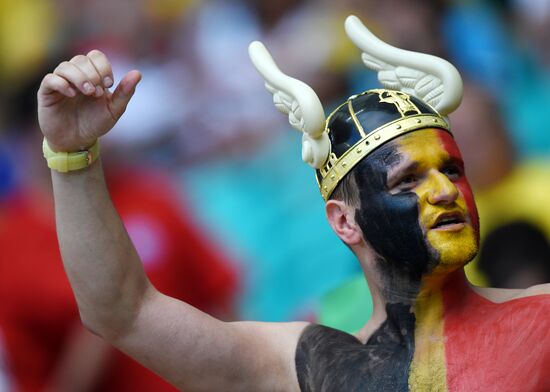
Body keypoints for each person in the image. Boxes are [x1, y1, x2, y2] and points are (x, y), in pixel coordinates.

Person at [36, 14, 550, 391]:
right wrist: (72, 155)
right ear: (344, 221)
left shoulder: (541, 322)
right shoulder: (307, 367)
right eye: (407, 180)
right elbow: (122, 313)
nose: (444, 190)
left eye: (453, 169)